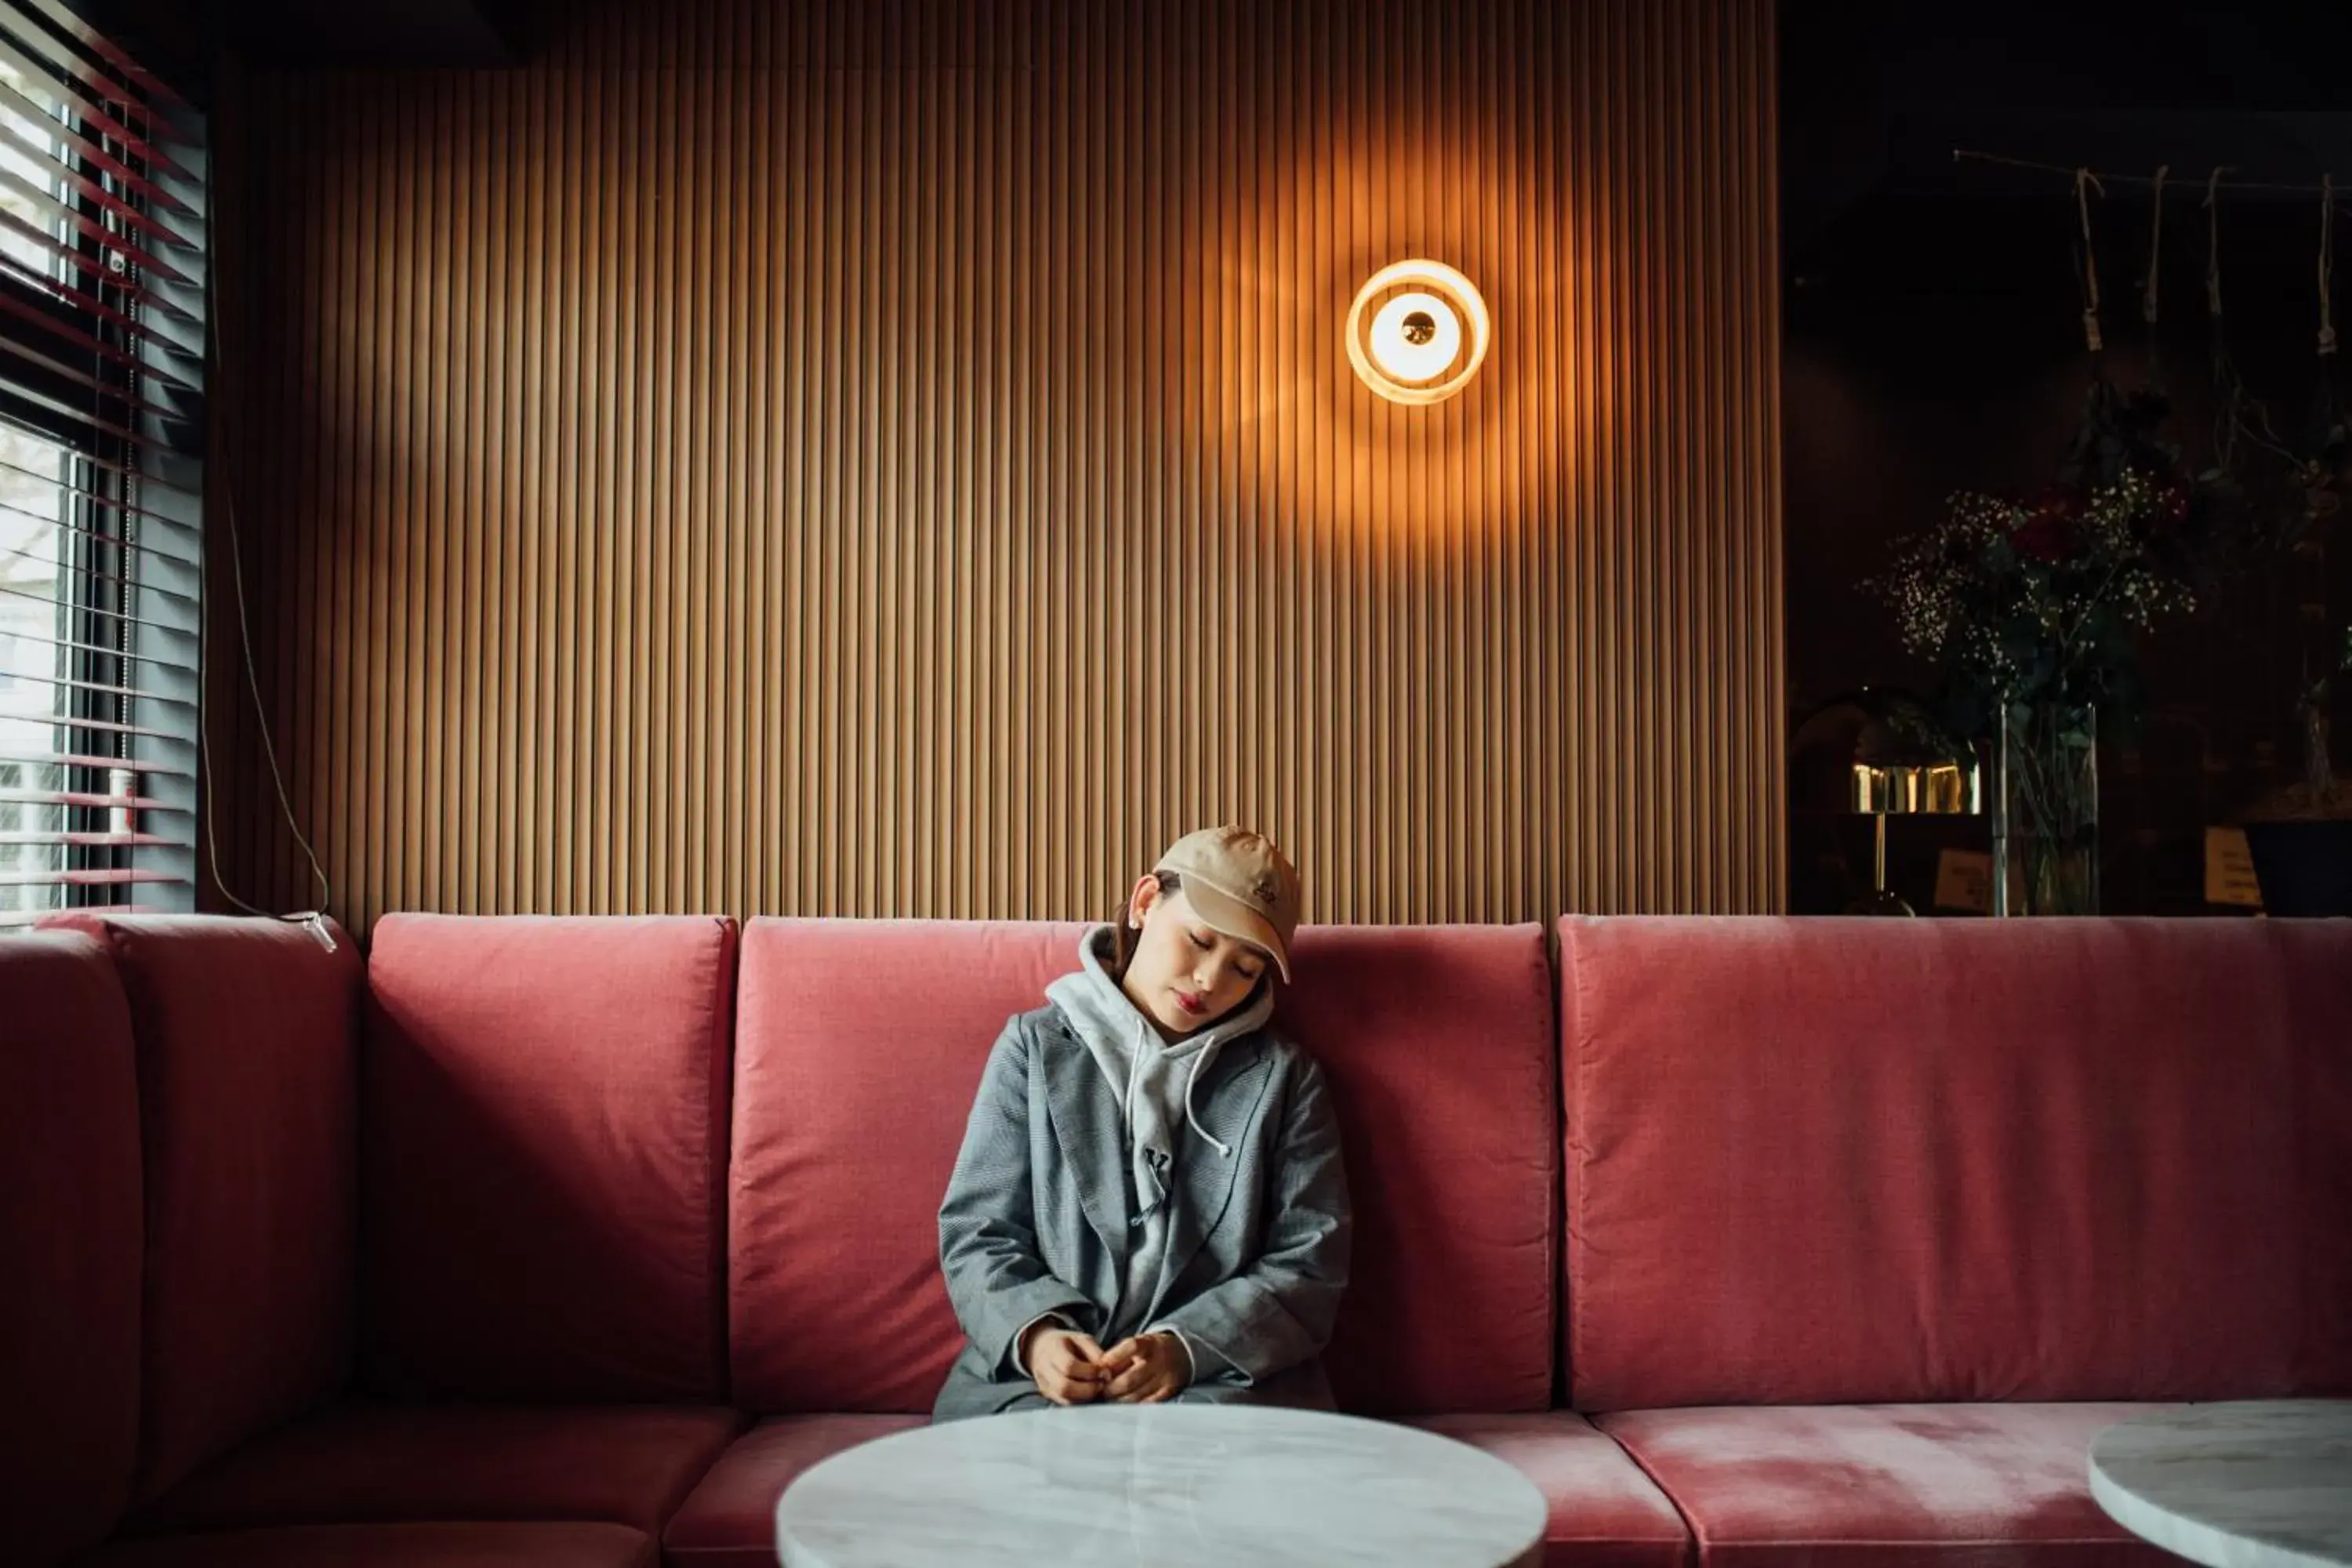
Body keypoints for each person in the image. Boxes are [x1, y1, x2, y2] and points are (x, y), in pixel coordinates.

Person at [933, 825, 1352, 1420]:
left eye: (1246, 968)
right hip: (1033, 1390)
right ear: (1146, 901)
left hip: (1222, 1391)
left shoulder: (1285, 1081)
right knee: (1020, 1482)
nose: (1211, 980)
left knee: (1219, 1485)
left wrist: (1187, 1349)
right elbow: (978, 1231)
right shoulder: (1033, 1049)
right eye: (1200, 940)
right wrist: (1036, 1336)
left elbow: (1310, 1260)